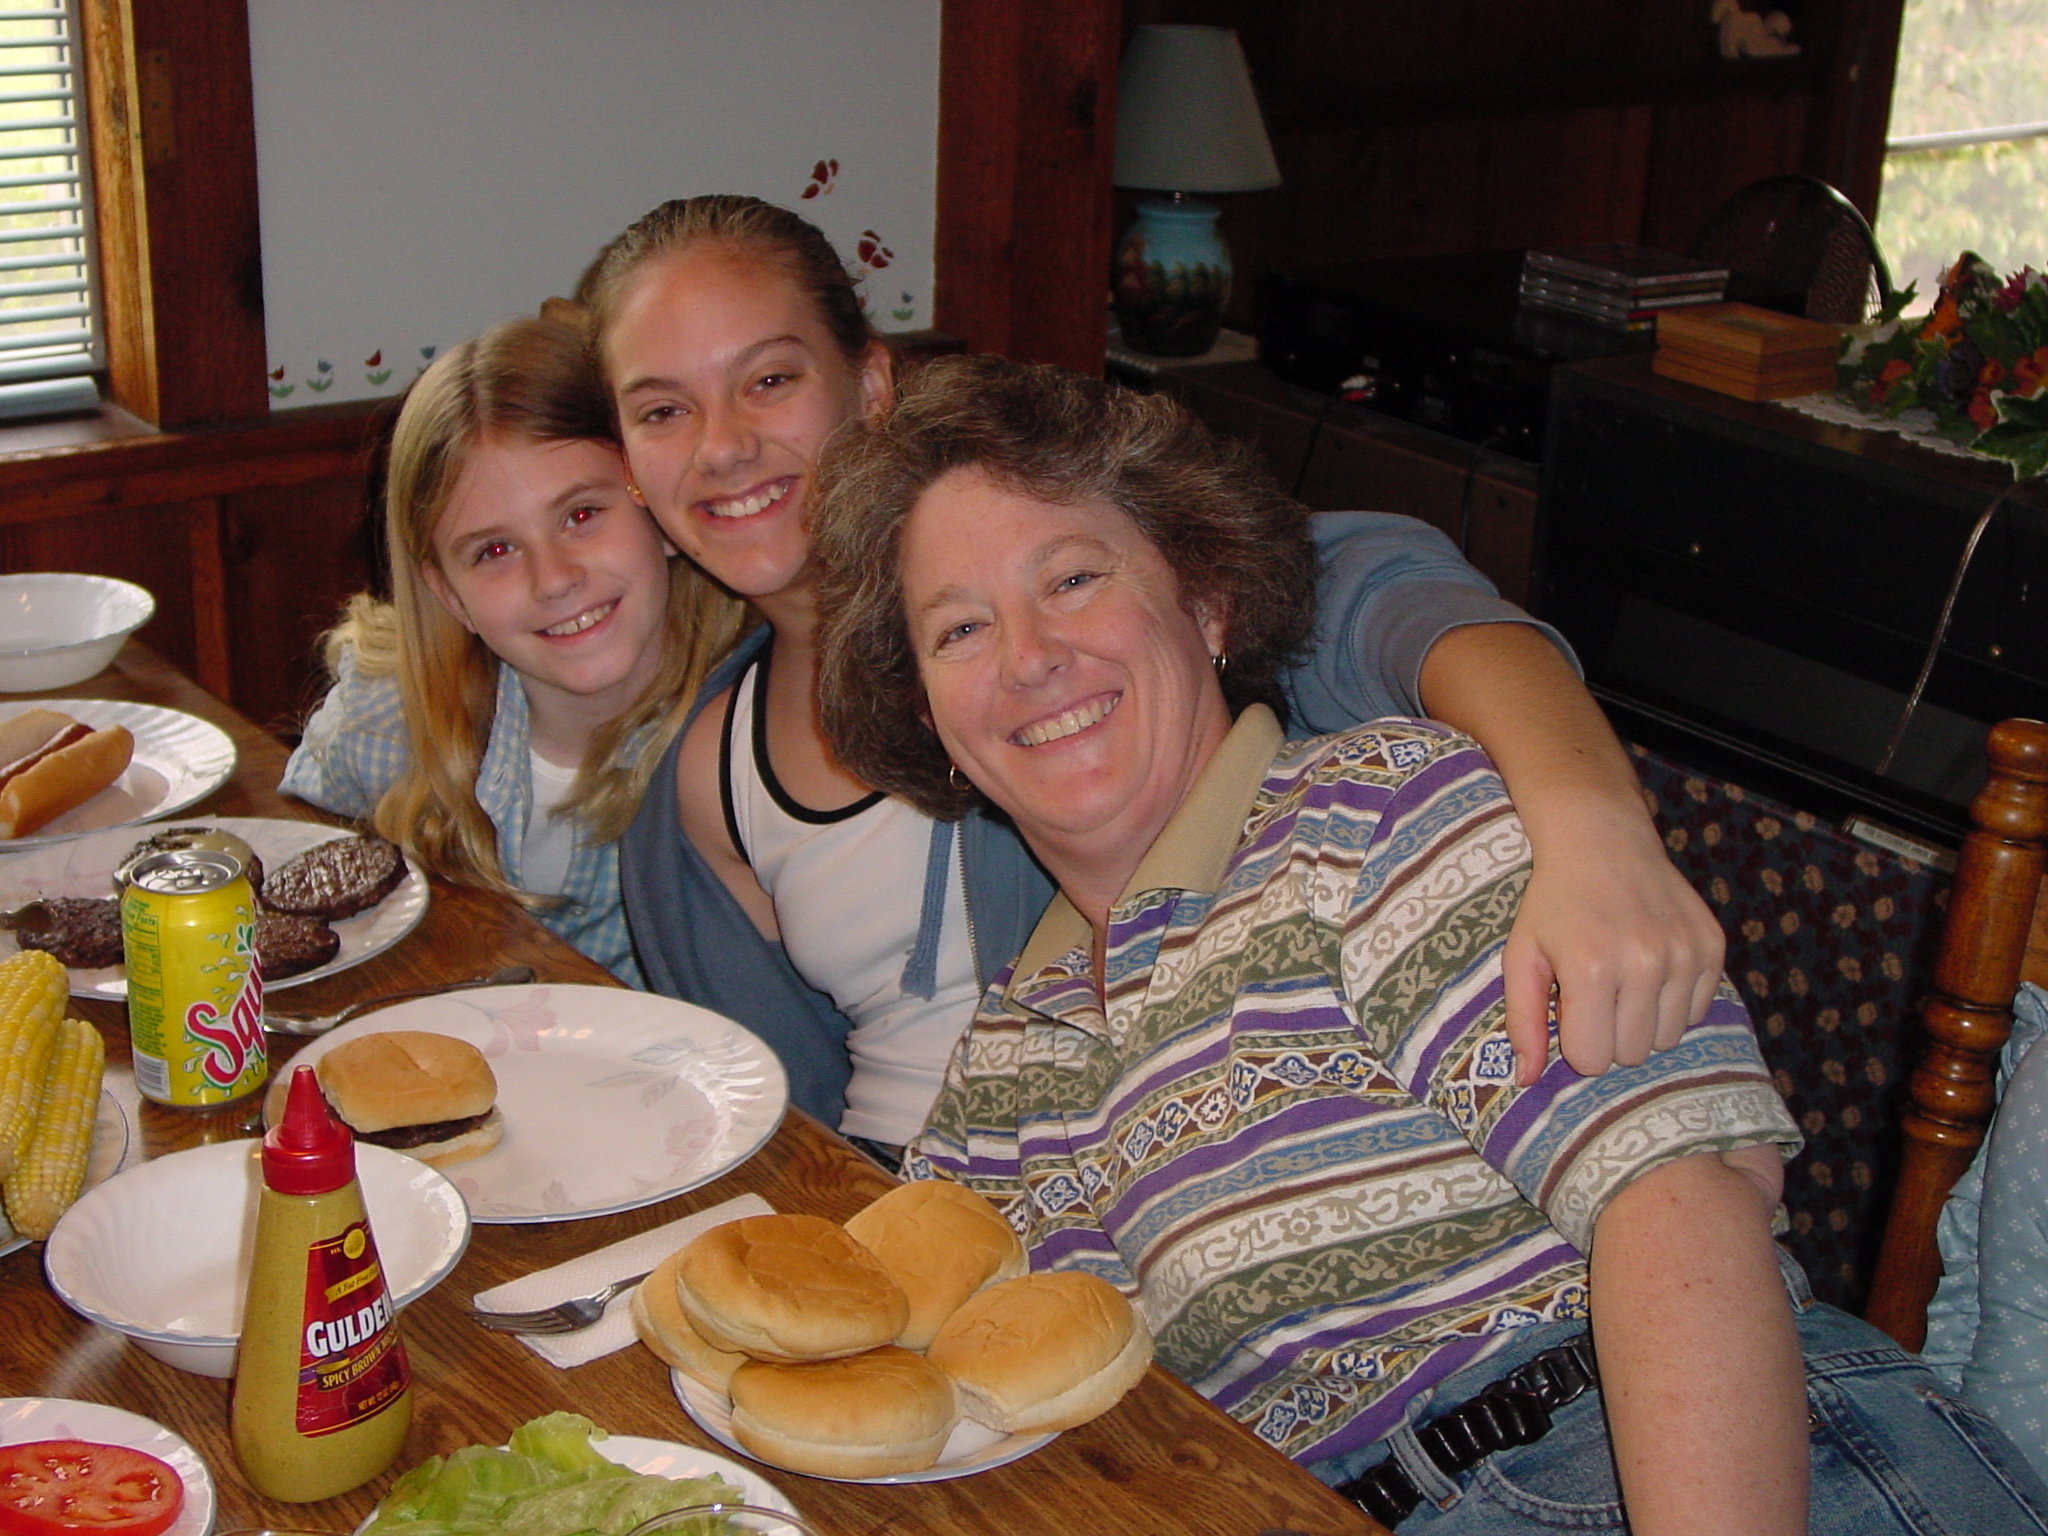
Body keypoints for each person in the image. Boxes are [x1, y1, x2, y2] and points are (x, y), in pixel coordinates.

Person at [808, 352, 2048, 1536]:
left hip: (1647, 1460)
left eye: (1074, 579)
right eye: (958, 631)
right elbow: (916, 1384)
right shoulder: (1003, 1063)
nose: (1029, 658)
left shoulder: (1380, 813)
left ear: (1206, 600)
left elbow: (1678, 1202)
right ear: (927, 711)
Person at [590, 193, 1721, 1147]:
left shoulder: (1076, 608)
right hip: (944, 1209)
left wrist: (1597, 835)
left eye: (769, 381)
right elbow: (773, 1125)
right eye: (663, 411)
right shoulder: (701, 780)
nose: (723, 446)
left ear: (873, 383)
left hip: (1207, 1158)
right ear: (631, 466)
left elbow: (1390, 594)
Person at [282, 316, 749, 982]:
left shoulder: (745, 734)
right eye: (495, 550)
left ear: (660, 510)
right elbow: (294, 871)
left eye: (581, 515)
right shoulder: (388, 717)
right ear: (448, 594)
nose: (553, 578)